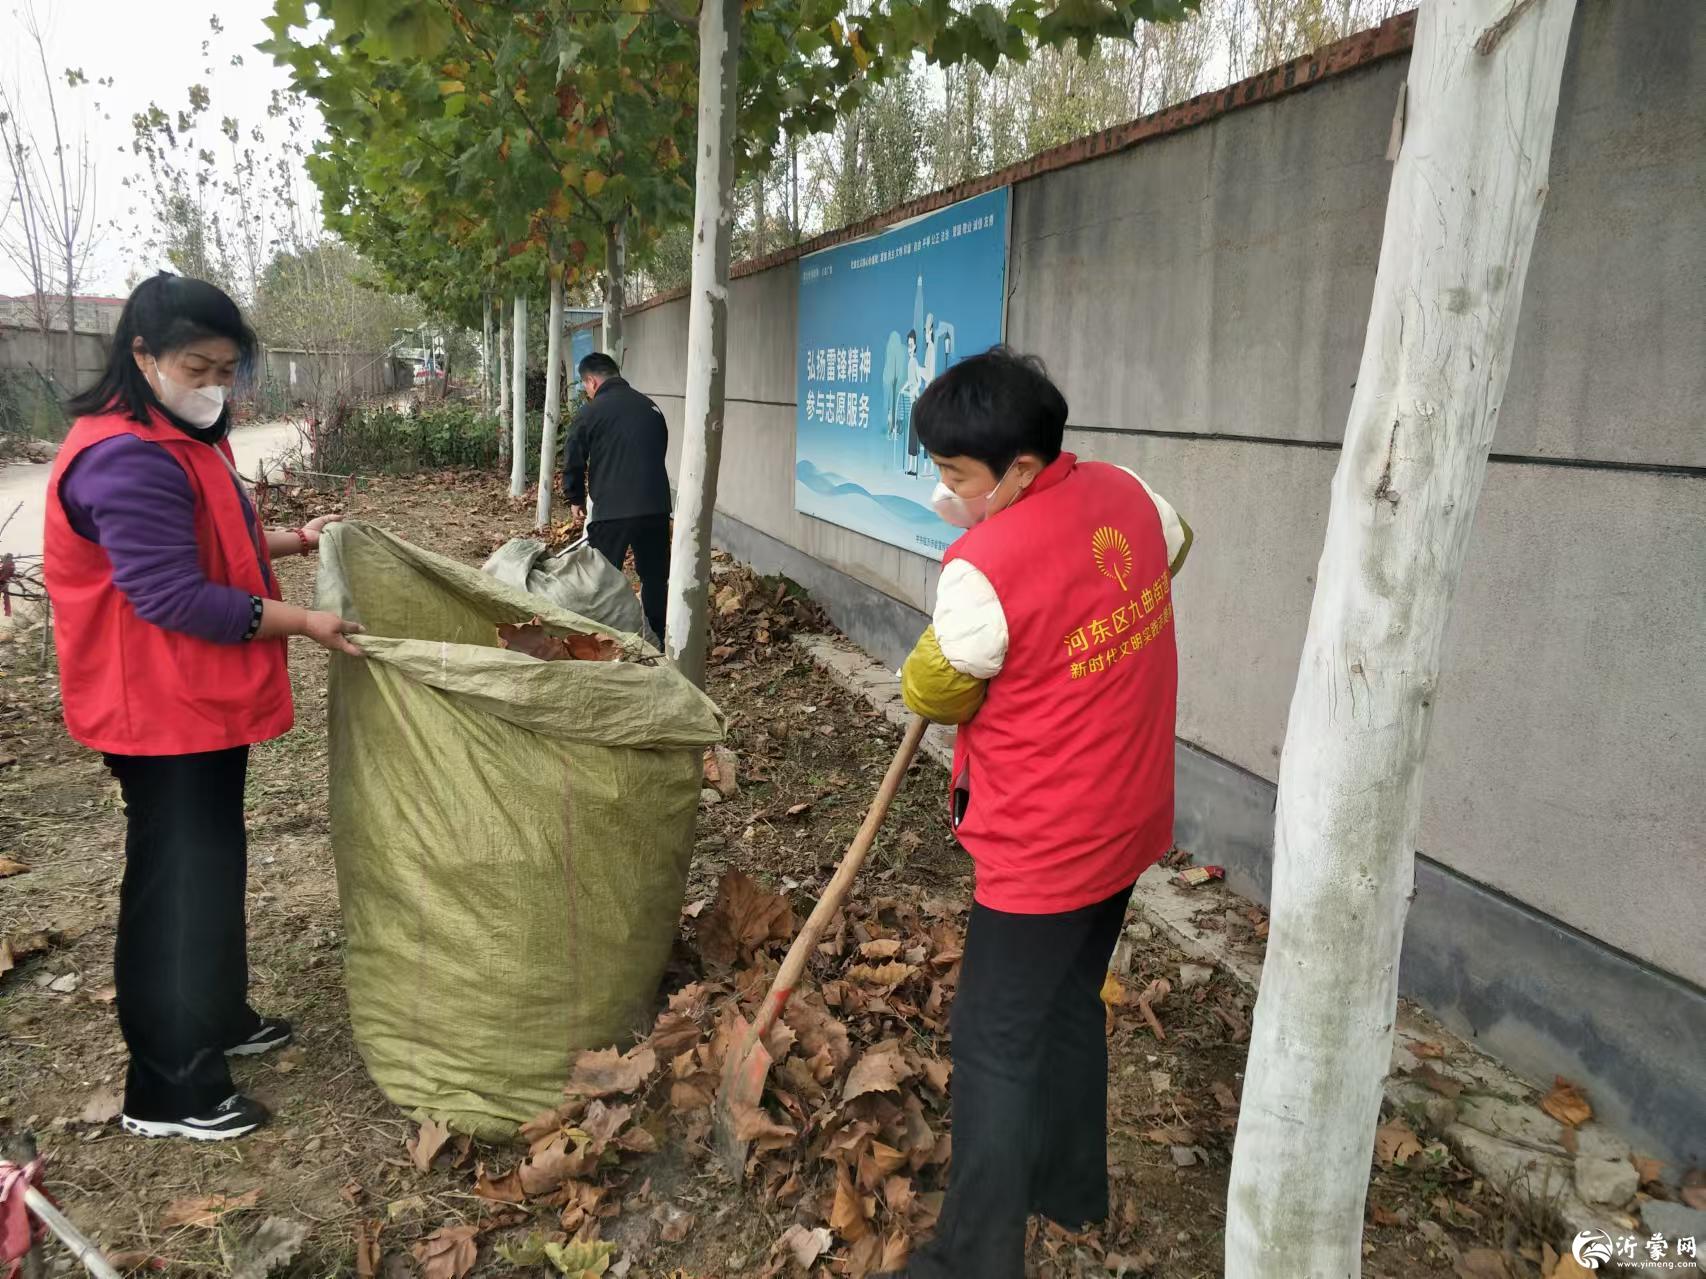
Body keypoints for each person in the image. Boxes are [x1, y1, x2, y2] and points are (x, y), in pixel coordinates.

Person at [888, 349, 1193, 1279]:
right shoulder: (1131, 493)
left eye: (957, 477)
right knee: (1068, 1004)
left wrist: (948, 656)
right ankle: (1068, 1186)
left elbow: (933, 684)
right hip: (1128, 817)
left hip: (1047, 847)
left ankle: (971, 1261)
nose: (946, 491)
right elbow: (1175, 546)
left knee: (991, 1045)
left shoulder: (982, 568)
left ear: (1021, 468)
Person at [42, 272, 363, 1142]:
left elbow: (212, 539)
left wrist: (294, 539)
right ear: (141, 356)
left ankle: (218, 1014)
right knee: (174, 885)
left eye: (228, 370)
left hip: (199, 703)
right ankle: (169, 1086)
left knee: (211, 862)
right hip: (155, 708)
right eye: (199, 365)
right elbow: (172, 594)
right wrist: (303, 621)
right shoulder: (121, 456)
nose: (216, 386)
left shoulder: (182, 439)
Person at [562, 352, 673, 643]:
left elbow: (573, 457)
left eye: (585, 385)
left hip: (612, 511)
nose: (587, 391)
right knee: (654, 577)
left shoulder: (590, 412)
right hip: (655, 507)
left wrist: (574, 498)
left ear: (592, 381)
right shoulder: (650, 407)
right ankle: (657, 637)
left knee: (602, 575)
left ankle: (605, 638)